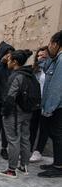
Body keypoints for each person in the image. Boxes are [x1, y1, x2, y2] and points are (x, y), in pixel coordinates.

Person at [0, 50, 38, 178]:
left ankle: (11, 170)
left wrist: (4, 112)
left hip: (14, 113)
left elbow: (10, 97)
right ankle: (23, 166)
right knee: (25, 138)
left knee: (13, 140)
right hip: (28, 112)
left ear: (14, 62)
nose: (7, 62)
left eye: (9, 60)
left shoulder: (16, 76)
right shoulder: (30, 75)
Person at [38, 30, 62, 178]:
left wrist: (49, 108)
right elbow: (46, 70)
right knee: (55, 134)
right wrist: (47, 58)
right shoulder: (55, 59)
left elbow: (57, 86)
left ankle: (59, 167)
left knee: (58, 135)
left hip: (58, 106)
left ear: (56, 44)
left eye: (50, 44)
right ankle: (57, 163)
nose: (48, 47)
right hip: (56, 105)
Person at [29, 46, 50, 163]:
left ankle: (38, 151)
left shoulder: (51, 69)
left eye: (43, 55)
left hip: (46, 103)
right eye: (38, 55)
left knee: (44, 128)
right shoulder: (34, 69)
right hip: (35, 103)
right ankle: (29, 149)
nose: (40, 57)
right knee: (32, 127)